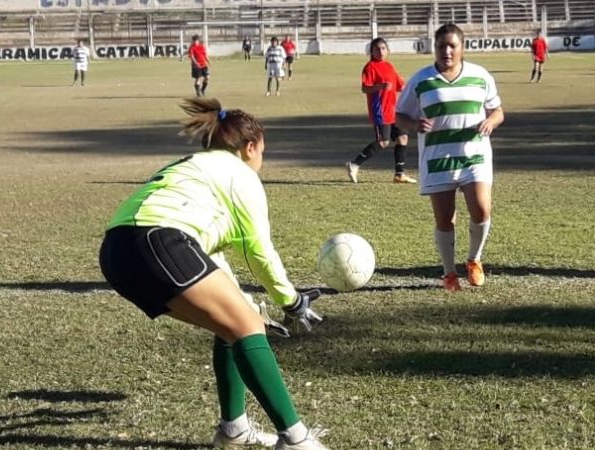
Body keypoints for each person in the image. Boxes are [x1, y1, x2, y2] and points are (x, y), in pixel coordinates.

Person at [98, 97, 329, 450]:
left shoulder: (191, 168)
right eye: (262, 153)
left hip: (117, 250)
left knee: (234, 321)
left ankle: (233, 429)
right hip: (159, 241)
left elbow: (210, 255)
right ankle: (296, 440)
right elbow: (259, 253)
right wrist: (292, 301)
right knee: (248, 327)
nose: (261, 161)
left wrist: (245, 302)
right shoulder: (240, 175)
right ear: (250, 147)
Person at [395, 23, 504, 292]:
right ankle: (449, 273)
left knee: (481, 209)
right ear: (435, 47)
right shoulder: (421, 80)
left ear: (462, 48)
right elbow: (399, 116)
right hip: (438, 159)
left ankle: (474, 260)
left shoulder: (480, 76)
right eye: (441, 45)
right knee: (445, 219)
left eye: (452, 45)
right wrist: (414, 125)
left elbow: (498, 111)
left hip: (473, 156)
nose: (446, 50)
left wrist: (491, 121)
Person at [346, 37, 416, 185]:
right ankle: (354, 164)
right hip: (380, 110)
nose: (381, 51)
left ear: (388, 50)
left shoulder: (389, 66)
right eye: (377, 49)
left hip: (394, 109)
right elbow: (365, 88)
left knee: (402, 138)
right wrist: (379, 87)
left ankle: (399, 175)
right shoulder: (370, 67)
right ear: (371, 51)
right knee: (383, 142)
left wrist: (415, 91)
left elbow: (401, 86)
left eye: (383, 48)